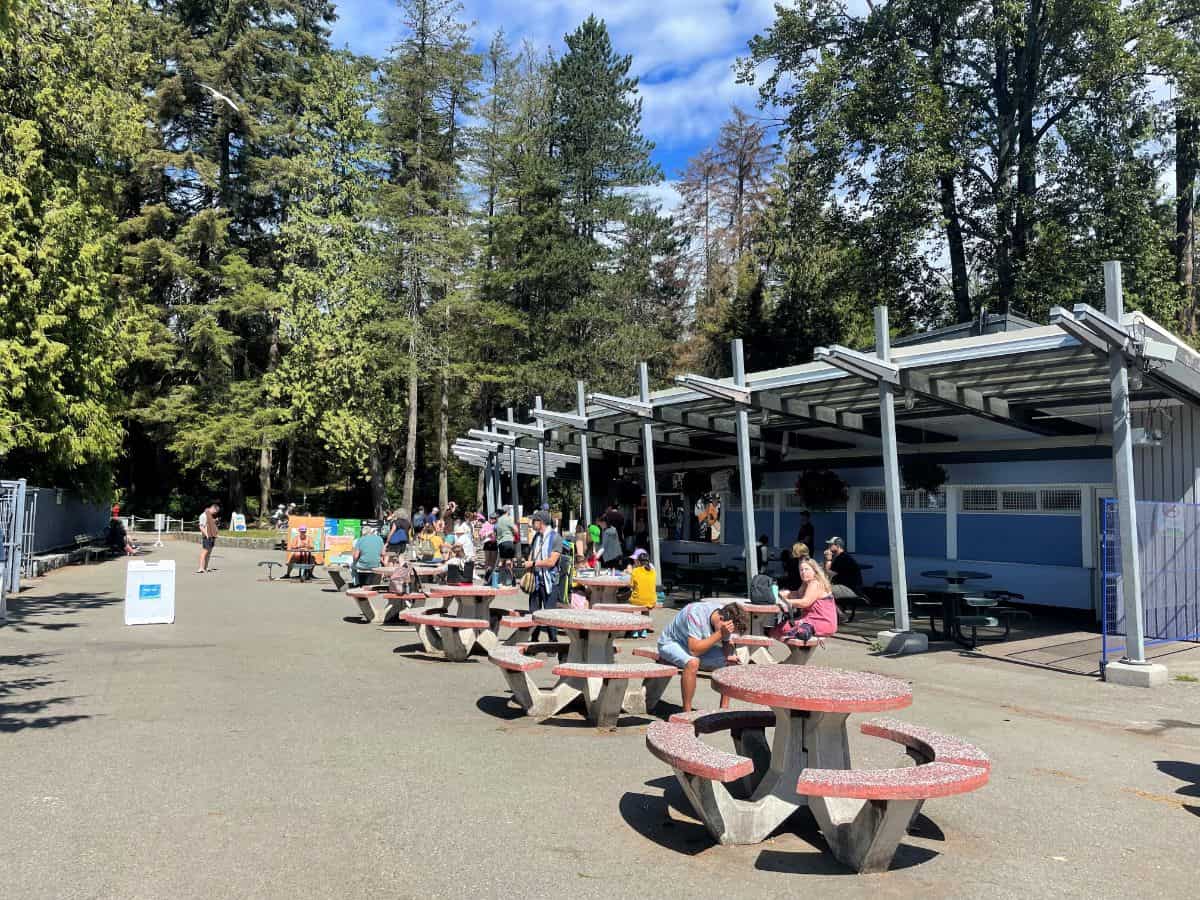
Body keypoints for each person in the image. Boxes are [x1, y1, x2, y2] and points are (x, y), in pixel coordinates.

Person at [657, 600, 749, 712]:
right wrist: (720, 633)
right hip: (672, 643)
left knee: (731, 663)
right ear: (721, 619)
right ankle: (687, 712)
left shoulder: (725, 615)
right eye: (729, 631)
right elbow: (694, 651)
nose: (729, 633)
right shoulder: (695, 613)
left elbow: (726, 642)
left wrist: (729, 655)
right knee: (692, 662)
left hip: (699, 645)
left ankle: (723, 710)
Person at [775, 556, 839, 641]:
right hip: (813, 621)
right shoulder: (806, 583)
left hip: (821, 623)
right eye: (801, 570)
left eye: (806, 569)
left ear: (814, 571)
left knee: (779, 629)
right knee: (779, 628)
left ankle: (763, 651)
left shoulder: (815, 583)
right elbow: (797, 594)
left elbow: (805, 602)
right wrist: (780, 594)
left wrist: (784, 601)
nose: (803, 572)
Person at [523, 510, 562, 641]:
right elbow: (532, 553)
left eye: (534, 520)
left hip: (549, 581)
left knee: (550, 613)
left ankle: (553, 641)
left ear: (541, 522)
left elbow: (551, 562)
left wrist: (533, 563)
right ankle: (534, 639)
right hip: (536, 579)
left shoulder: (555, 537)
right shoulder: (537, 536)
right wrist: (528, 566)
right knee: (534, 611)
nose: (532, 523)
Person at [625, 548, 656, 638]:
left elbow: (631, 585)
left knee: (633, 605)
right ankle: (643, 630)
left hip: (638, 600)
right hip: (652, 600)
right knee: (645, 608)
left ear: (638, 562)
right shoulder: (653, 571)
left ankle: (634, 630)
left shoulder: (635, 571)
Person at [824, 536, 863, 601]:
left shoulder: (843, 558)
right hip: (844, 586)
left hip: (850, 589)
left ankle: (833, 610)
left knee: (824, 590)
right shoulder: (839, 557)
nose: (828, 546)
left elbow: (829, 575)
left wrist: (828, 560)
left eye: (831, 544)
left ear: (838, 546)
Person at [495, 505, 517, 583]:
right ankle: (509, 580)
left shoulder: (499, 520)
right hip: (508, 541)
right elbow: (516, 530)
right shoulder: (508, 519)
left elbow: (497, 532)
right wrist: (514, 534)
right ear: (507, 511)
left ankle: (498, 580)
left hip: (501, 542)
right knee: (508, 561)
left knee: (501, 561)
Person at [196, 501, 220, 573]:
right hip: (207, 536)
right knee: (205, 552)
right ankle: (200, 568)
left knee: (209, 552)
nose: (215, 513)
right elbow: (201, 527)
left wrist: (215, 521)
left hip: (212, 536)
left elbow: (211, 524)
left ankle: (205, 567)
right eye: (215, 511)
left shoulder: (210, 516)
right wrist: (206, 535)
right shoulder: (203, 515)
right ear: (212, 508)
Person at [480, 513, 498, 579]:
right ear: (489, 518)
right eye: (491, 518)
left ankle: (492, 575)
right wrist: (488, 534)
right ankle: (486, 574)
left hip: (495, 543)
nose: (493, 520)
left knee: (493, 560)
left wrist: (495, 535)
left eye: (494, 518)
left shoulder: (497, 525)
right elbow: (481, 535)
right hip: (487, 543)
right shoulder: (486, 524)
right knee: (487, 560)